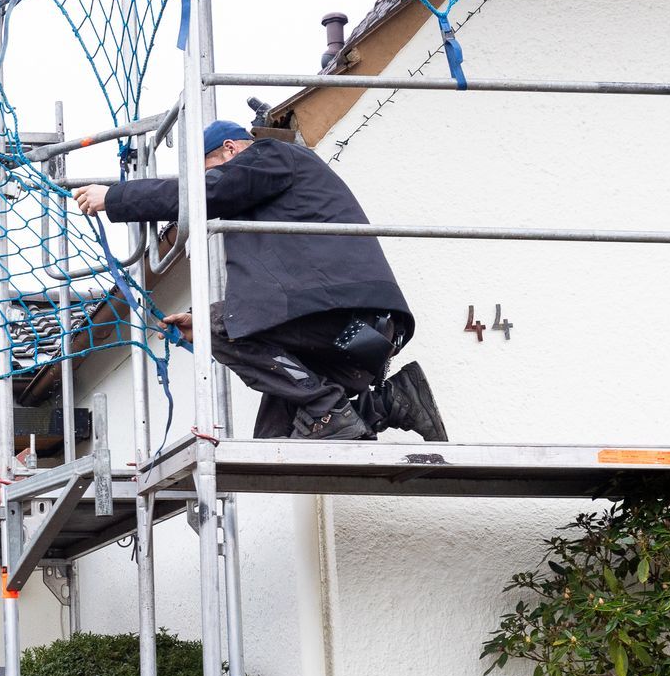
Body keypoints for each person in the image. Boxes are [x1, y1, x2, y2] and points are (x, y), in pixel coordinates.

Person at [73, 120, 447, 442]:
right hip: (343, 325)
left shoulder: (272, 155)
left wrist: (116, 197)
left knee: (217, 327)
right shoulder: (276, 189)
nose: (208, 179)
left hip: (348, 318)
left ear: (231, 149)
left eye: (208, 169)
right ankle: (392, 400)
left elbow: (209, 192)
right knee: (277, 443)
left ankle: (328, 408)